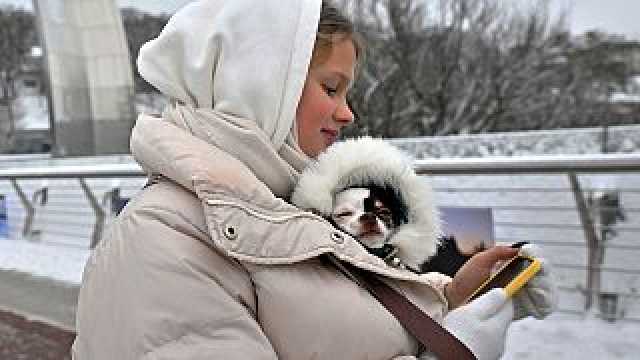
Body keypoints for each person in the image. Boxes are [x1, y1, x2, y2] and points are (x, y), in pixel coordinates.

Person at [72, 1, 555, 359]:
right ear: (257, 85)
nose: (347, 114)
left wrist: (451, 300)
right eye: (331, 87)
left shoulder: (275, 207)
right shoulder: (162, 239)